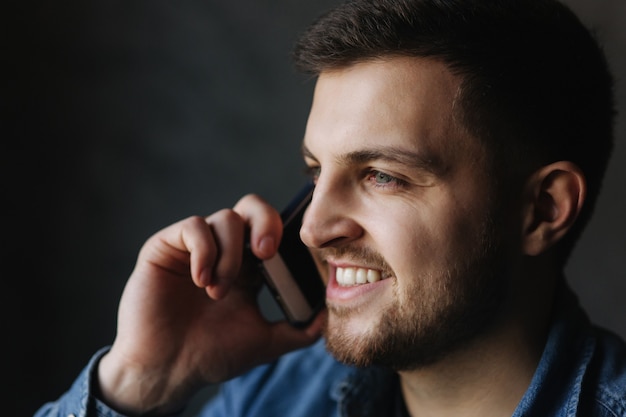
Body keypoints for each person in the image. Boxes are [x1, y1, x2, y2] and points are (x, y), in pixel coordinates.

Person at [35, 0, 626, 416]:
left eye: (382, 176)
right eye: (317, 173)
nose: (314, 228)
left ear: (543, 210)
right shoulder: (281, 397)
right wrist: (138, 383)